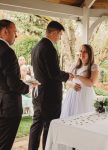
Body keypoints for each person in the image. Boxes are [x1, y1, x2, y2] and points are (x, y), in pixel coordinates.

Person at [28, 21, 73, 150]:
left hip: (38, 94)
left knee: (36, 126)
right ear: (53, 33)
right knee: (49, 127)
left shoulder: (36, 47)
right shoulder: (48, 48)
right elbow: (53, 73)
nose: (59, 38)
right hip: (49, 97)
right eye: (59, 35)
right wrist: (67, 76)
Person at [0, 19, 30, 150]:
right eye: (14, 32)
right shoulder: (7, 52)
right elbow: (13, 84)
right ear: (5, 31)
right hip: (9, 108)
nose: (16, 35)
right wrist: (28, 87)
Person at [61, 44, 99, 117]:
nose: (82, 53)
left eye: (85, 52)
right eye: (81, 51)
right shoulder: (74, 66)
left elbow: (91, 83)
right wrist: (72, 85)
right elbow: (67, 81)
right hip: (72, 95)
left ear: (90, 54)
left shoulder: (93, 66)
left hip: (85, 96)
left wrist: (78, 76)